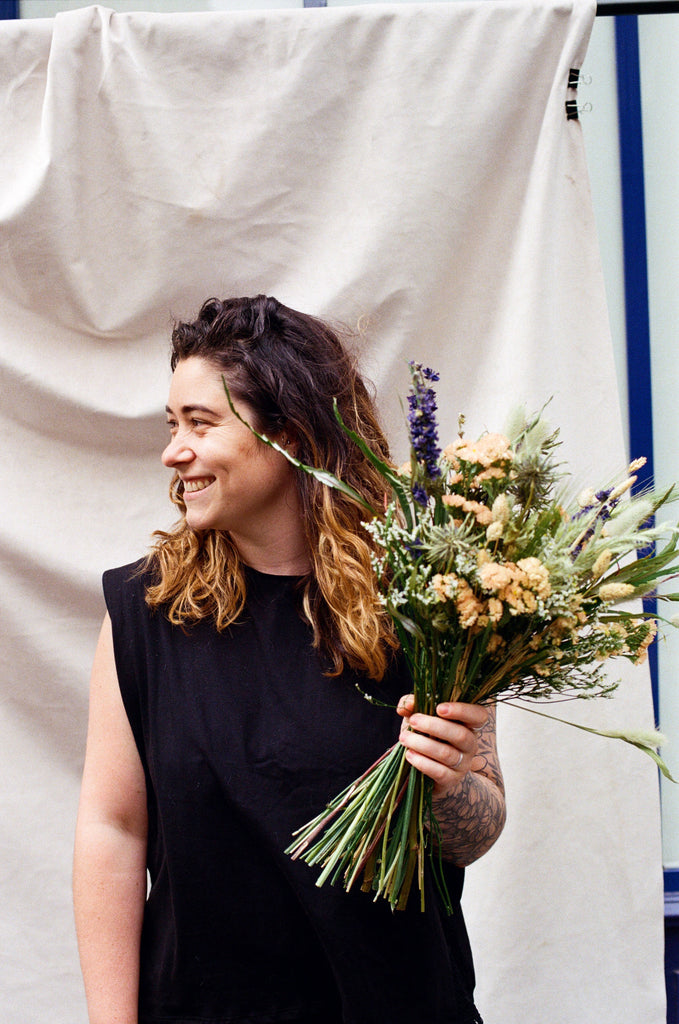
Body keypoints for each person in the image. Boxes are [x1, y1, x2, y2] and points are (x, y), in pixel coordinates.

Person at [73, 295, 506, 1024]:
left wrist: (452, 782)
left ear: (292, 435)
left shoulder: (427, 604)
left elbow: (477, 829)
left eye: (199, 424)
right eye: (172, 424)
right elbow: (112, 829)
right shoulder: (145, 614)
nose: (172, 451)